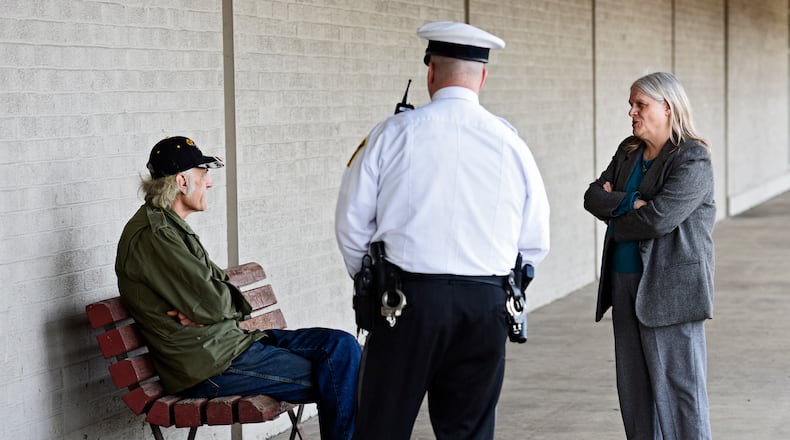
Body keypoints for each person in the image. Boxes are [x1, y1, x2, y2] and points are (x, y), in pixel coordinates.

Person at [335, 21, 550, 440]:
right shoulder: (511, 144)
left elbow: (351, 225)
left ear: (431, 71)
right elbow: (535, 239)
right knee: (468, 432)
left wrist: (371, 280)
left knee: (382, 426)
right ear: (482, 77)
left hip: (403, 302)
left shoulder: (391, 134)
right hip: (485, 304)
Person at [115, 136, 361, 440]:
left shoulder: (170, 227)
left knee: (343, 346)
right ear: (181, 181)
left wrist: (209, 308)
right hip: (211, 367)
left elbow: (216, 295)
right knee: (347, 375)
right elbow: (216, 302)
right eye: (203, 174)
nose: (210, 183)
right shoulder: (156, 235)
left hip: (232, 346)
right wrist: (212, 308)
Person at [583, 72, 715, 439]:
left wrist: (615, 217)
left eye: (640, 104)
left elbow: (660, 219)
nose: (631, 112)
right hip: (624, 284)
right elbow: (592, 197)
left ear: (668, 107)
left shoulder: (692, 157)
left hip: (671, 290)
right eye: (631, 104)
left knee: (680, 396)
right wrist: (630, 202)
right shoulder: (629, 150)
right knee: (635, 396)